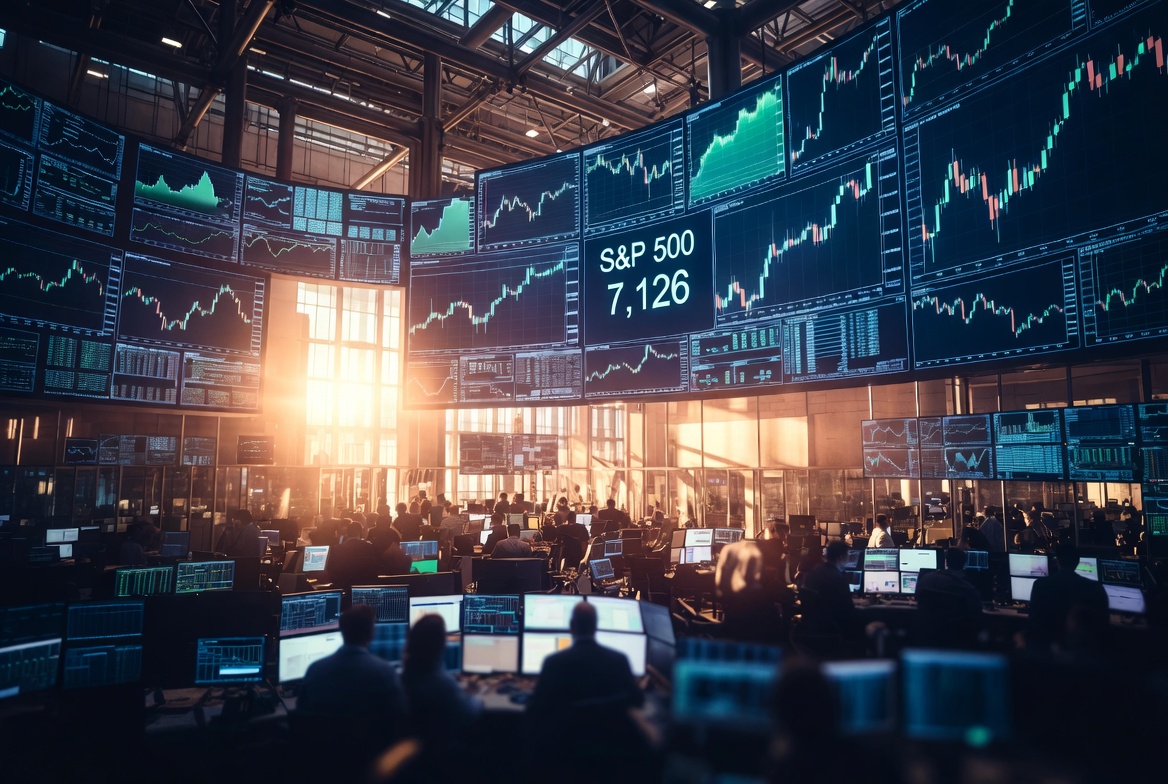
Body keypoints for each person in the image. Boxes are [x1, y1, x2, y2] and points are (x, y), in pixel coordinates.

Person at [526, 602, 649, 782]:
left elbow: (536, 709)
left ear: (572, 627)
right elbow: (638, 701)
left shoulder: (554, 662)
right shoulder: (619, 660)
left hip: (563, 753)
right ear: (596, 626)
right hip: (608, 755)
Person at [297, 604, 408, 738]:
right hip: (369, 754)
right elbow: (400, 719)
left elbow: (301, 713)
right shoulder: (384, 673)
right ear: (371, 633)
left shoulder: (314, 670)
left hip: (324, 752)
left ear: (342, 630)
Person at [401, 614, 481, 746]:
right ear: (441, 644)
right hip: (442, 756)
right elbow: (470, 712)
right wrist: (473, 694)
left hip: (418, 755)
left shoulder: (404, 676)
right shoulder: (442, 684)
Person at [1027, 543, 1109, 656]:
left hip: (1046, 653)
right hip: (1084, 655)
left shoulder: (1040, 585)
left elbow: (1034, 620)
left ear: (1057, 561)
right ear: (1078, 561)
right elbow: (1103, 626)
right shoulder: (1095, 588)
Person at [792, 541, 861, 659]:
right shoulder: (838, 579)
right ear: (842, 557)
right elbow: (849, 613)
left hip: (809, 630)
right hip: (830, 633)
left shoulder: (814, 572)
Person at [912, 548, 983, 650]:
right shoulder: (970, 590)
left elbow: (917, 599)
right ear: (964, 565)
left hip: (928, 640)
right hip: (958, 645)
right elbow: (977, 618)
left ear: (946, 562)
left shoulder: (927, 579)